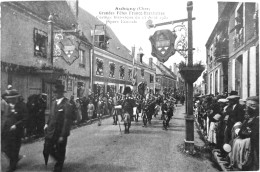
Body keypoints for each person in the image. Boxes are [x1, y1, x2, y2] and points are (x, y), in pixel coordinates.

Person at [43, 83, 74, 172]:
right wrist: (46, 123)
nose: (54, 94)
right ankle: (60, 159)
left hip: (60, 132)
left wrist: (63, 135)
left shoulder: (66, 104)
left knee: (60, 149)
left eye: (56, 92)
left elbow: (67, 121)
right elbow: (51, 116)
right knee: (48, 147)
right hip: (52, 131)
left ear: (61, 93)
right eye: (54, 92)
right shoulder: (54, 103)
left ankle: (58, 166)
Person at [2, 91, 28, 172]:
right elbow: (5, 118)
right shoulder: (8, 106)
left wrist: (16, 125)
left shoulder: (22, 106)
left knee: (14, 149)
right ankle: (15, 158)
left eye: (12, 98)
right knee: (4, 148)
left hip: (17, 131)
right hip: (6, 130)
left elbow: (25, 119)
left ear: (16, 98)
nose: (10, 100)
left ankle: (12, 166)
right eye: (9, 99)